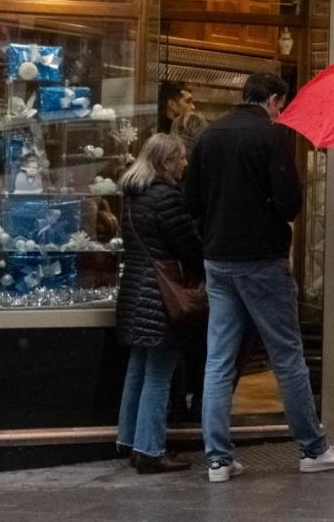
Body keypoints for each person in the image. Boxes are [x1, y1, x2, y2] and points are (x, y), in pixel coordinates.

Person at [186, 71, 334, 482]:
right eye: (282, 104)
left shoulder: (209, 137)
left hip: (218, 260)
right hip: (261, 259)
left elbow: (190, 200)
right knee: (287, 355)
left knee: (219, 359)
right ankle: (313, 449)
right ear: (275, 99)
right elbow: (288, 203)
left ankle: (217, 458)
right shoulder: (270, 136)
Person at [115, 134, 204, 473]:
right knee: (158, 374)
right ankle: (150, 450)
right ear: (166, 161)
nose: (184, 164)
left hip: (136, 292)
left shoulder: (134, 196)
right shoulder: (165, 197)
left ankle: (129, 439)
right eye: (181, 158)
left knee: (137, 369)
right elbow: (190, 247)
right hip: (162, 297)